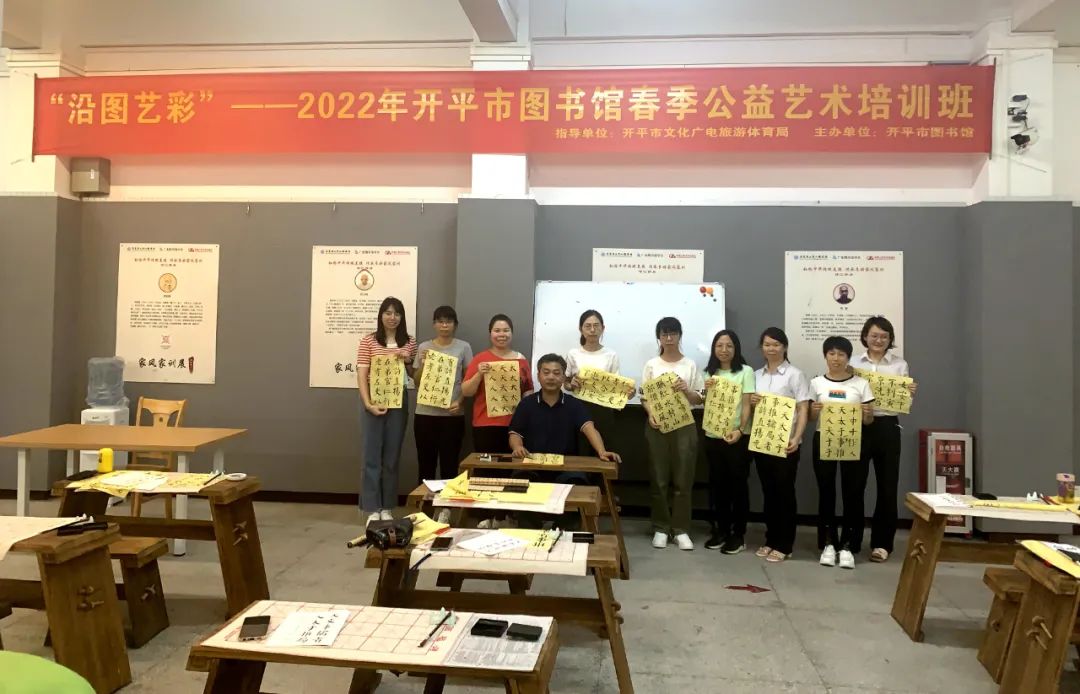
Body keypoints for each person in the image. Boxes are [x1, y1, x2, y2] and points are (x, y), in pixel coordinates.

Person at [851, 316, 918, 563]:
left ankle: (882, 544)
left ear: (890, 339)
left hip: (888, 426)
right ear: (865, 337)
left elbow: (904, 402)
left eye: (884, 336)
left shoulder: (899, 365)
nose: (879, 340)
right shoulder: (853, 363)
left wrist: (909, 393)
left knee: (887, 486)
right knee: (855, 484)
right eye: (874, 335)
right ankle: (852, 540)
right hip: (858, 425)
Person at [809, 336, 874, 570]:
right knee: (826, 491)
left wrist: (867, 414)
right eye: (832, 353)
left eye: (841, 354)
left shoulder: (861, 384)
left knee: (853, 493)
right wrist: (814, 410)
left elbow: (868, 421)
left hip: (853, 441)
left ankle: (848, 544)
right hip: (824, 439)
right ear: (825, 356)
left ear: (848, 358)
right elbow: (811, 418)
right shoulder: (816, 383)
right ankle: (828, 542)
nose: (836, 359)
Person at [641, 317, 704, 551]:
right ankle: (660, 527)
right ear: (658, 337)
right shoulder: (652, 365)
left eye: (673, 333)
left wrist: (686, 390)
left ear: (679, 336)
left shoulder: (690, 364)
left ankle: (681, 529)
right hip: (657, 425)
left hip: (684, 425)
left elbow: (699, 399)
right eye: (664, 334)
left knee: (683, 478)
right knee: (659, 478)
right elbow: (645, 396)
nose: (669, 338)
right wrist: (650, 414)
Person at [750, 327, 811, 563]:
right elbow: (751, 407)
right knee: (768, 493)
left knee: (784, 493)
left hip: (786, 444)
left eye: (776, 344)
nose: (771, 348)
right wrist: (752, 401)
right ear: (762, 348)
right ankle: (770, 539)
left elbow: (803, 408)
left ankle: (785, 544)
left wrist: (797, 437)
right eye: (767, 344)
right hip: (763, 442)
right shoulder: (756, 375)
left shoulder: (795, 374)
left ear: (784, 347)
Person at [356, 297, 417, 526]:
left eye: (397, 313)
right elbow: (362, 374)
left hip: (398, 401)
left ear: (402, 317)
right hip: (374, 399)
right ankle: (372, 508)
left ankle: (387, 506)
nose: (393, 317)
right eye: (388, 313)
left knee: (392, 456)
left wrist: (408, 359)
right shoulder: (368, 341)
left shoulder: (409, 342)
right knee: (371, 456)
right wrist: (368, 403)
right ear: (381, 315)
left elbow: (413, 374)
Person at [510, 354, 622, 466]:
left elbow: (589, 428)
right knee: (522, 475)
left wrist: (601, 451)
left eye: (556, 373)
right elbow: (515, 433)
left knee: (576, 477)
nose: (551, 377)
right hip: (531, 463)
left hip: (567, 465)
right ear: (538, 376)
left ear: (563, 378)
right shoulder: (526, 404)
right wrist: (517, 447)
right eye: (546, 372)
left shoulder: (574, 404)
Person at [702, 330, 755, 554]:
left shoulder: (745, 371)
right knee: (717, 486)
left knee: (738, 486)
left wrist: (740, 430)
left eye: (729, 345)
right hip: (713, 436)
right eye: (719, 345)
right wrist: (704, 391)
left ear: (736, 348)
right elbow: (704, 402)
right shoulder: (709, 372)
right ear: (714, 349)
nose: (724, 350)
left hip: (737, 438)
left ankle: (738, 534)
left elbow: (747, 404)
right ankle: (721, 530)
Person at [412, 305, 473, 495]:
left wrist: (460, 401)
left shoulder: (463, 347)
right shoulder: (424, 347)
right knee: (426, 463)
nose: (444, 325)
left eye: (448, 322)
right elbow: (416, 381)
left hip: (452, 415)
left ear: (455, 325)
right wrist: (423, 364)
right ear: (434, 324)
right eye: (440, 321)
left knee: (450, 464)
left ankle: (447, 505)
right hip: (425, 414)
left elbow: (468, 380)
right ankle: (425, 505)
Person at [461, 314, 534, 454]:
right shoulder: (480, 358)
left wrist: (527, 418)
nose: (502, 334)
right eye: (497, 330)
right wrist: (479, 374)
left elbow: (528, 392)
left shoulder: (521, 360)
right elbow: (466, 391)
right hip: (485, 424)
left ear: (512, 333)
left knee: (513, 465)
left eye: (506, 330)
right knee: (486, 466)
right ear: (490, 333)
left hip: (515, 426)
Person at [565, 309, 634, 449]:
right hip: (579, 408)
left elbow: (616, 385)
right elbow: (565, 382)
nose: (592, 330)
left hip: (604, 410)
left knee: (603, 450)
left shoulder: (611, 354)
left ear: (603, 328)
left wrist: (628, 393)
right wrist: (571, 385)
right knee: (580, 449)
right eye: (587, 326)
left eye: (596, 325)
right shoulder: (573, 353)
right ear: (580, 329)